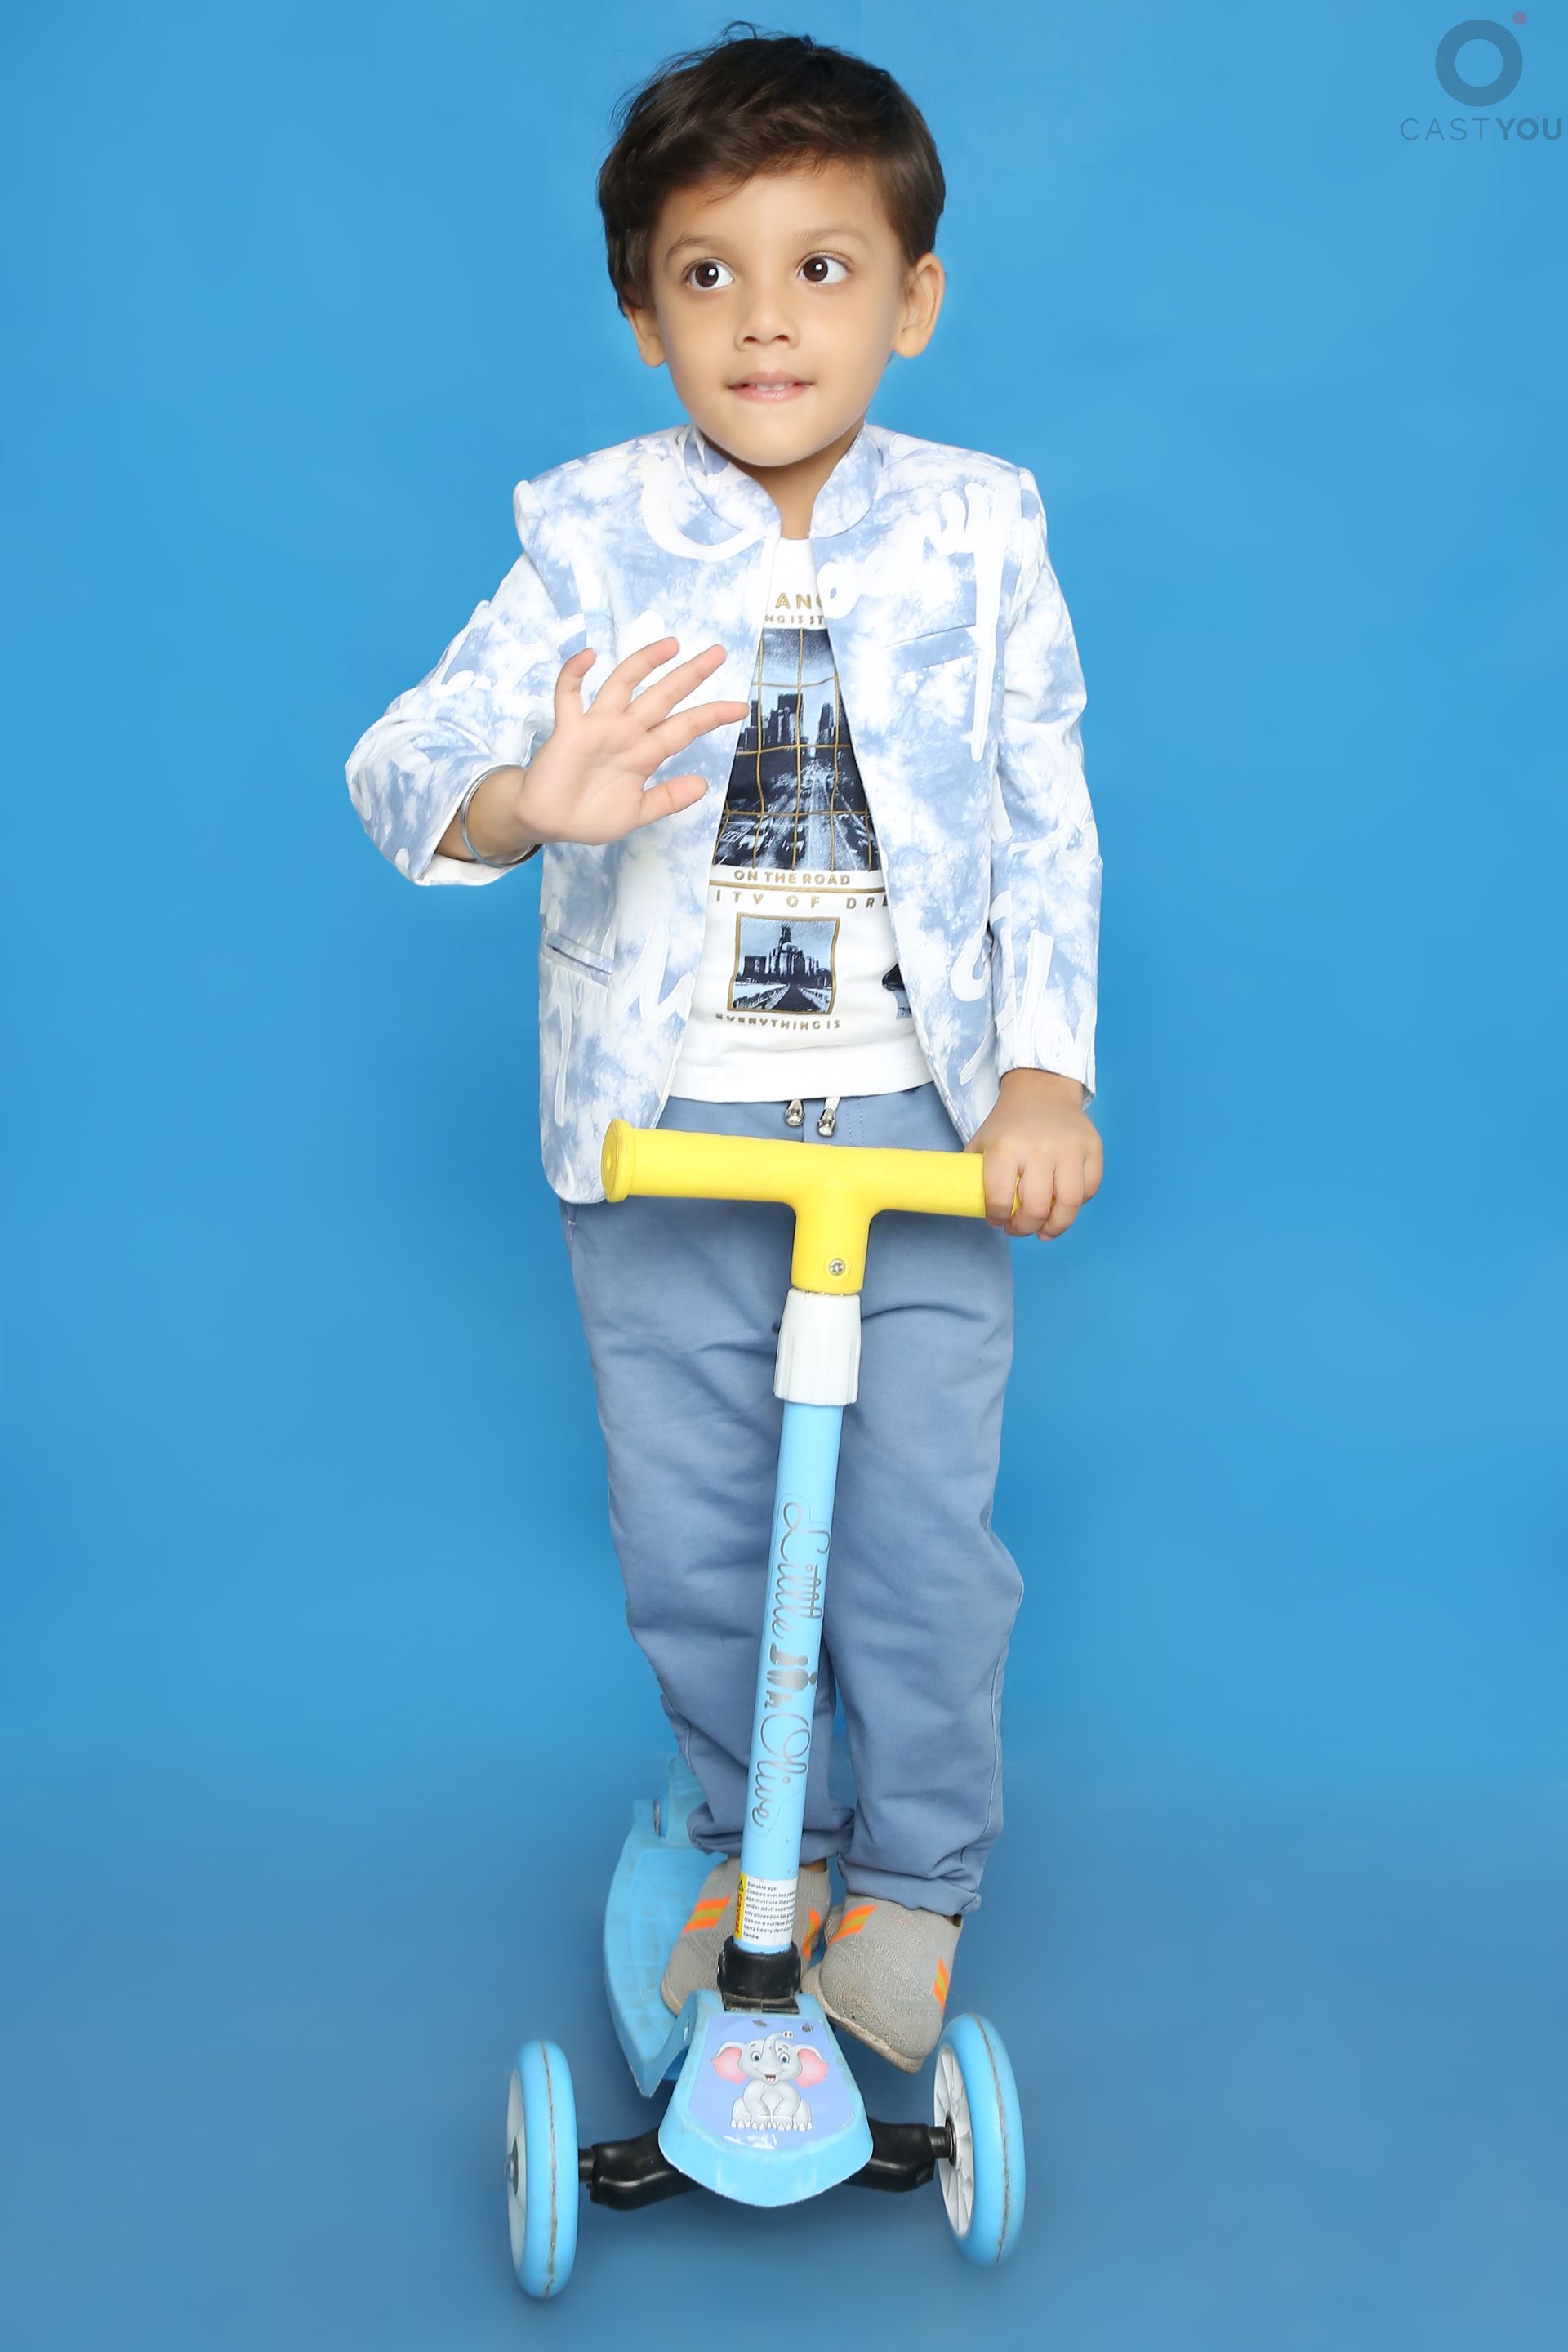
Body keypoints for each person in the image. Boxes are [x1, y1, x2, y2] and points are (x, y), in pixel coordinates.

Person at [345, 28, 1103, 2073]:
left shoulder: (981, 529)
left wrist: (1045, 1070)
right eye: (709, 274)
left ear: (912, 301)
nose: (766, 320)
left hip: (919, 1124)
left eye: (821, 268)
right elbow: (401, 762)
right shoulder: (588, 537)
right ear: (642, 315)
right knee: (695, 1540)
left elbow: (1043, 815)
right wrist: (530, 800)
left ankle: (914, 1877)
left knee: (917, 1543)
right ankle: (756, 1840)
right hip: (666, 1132)